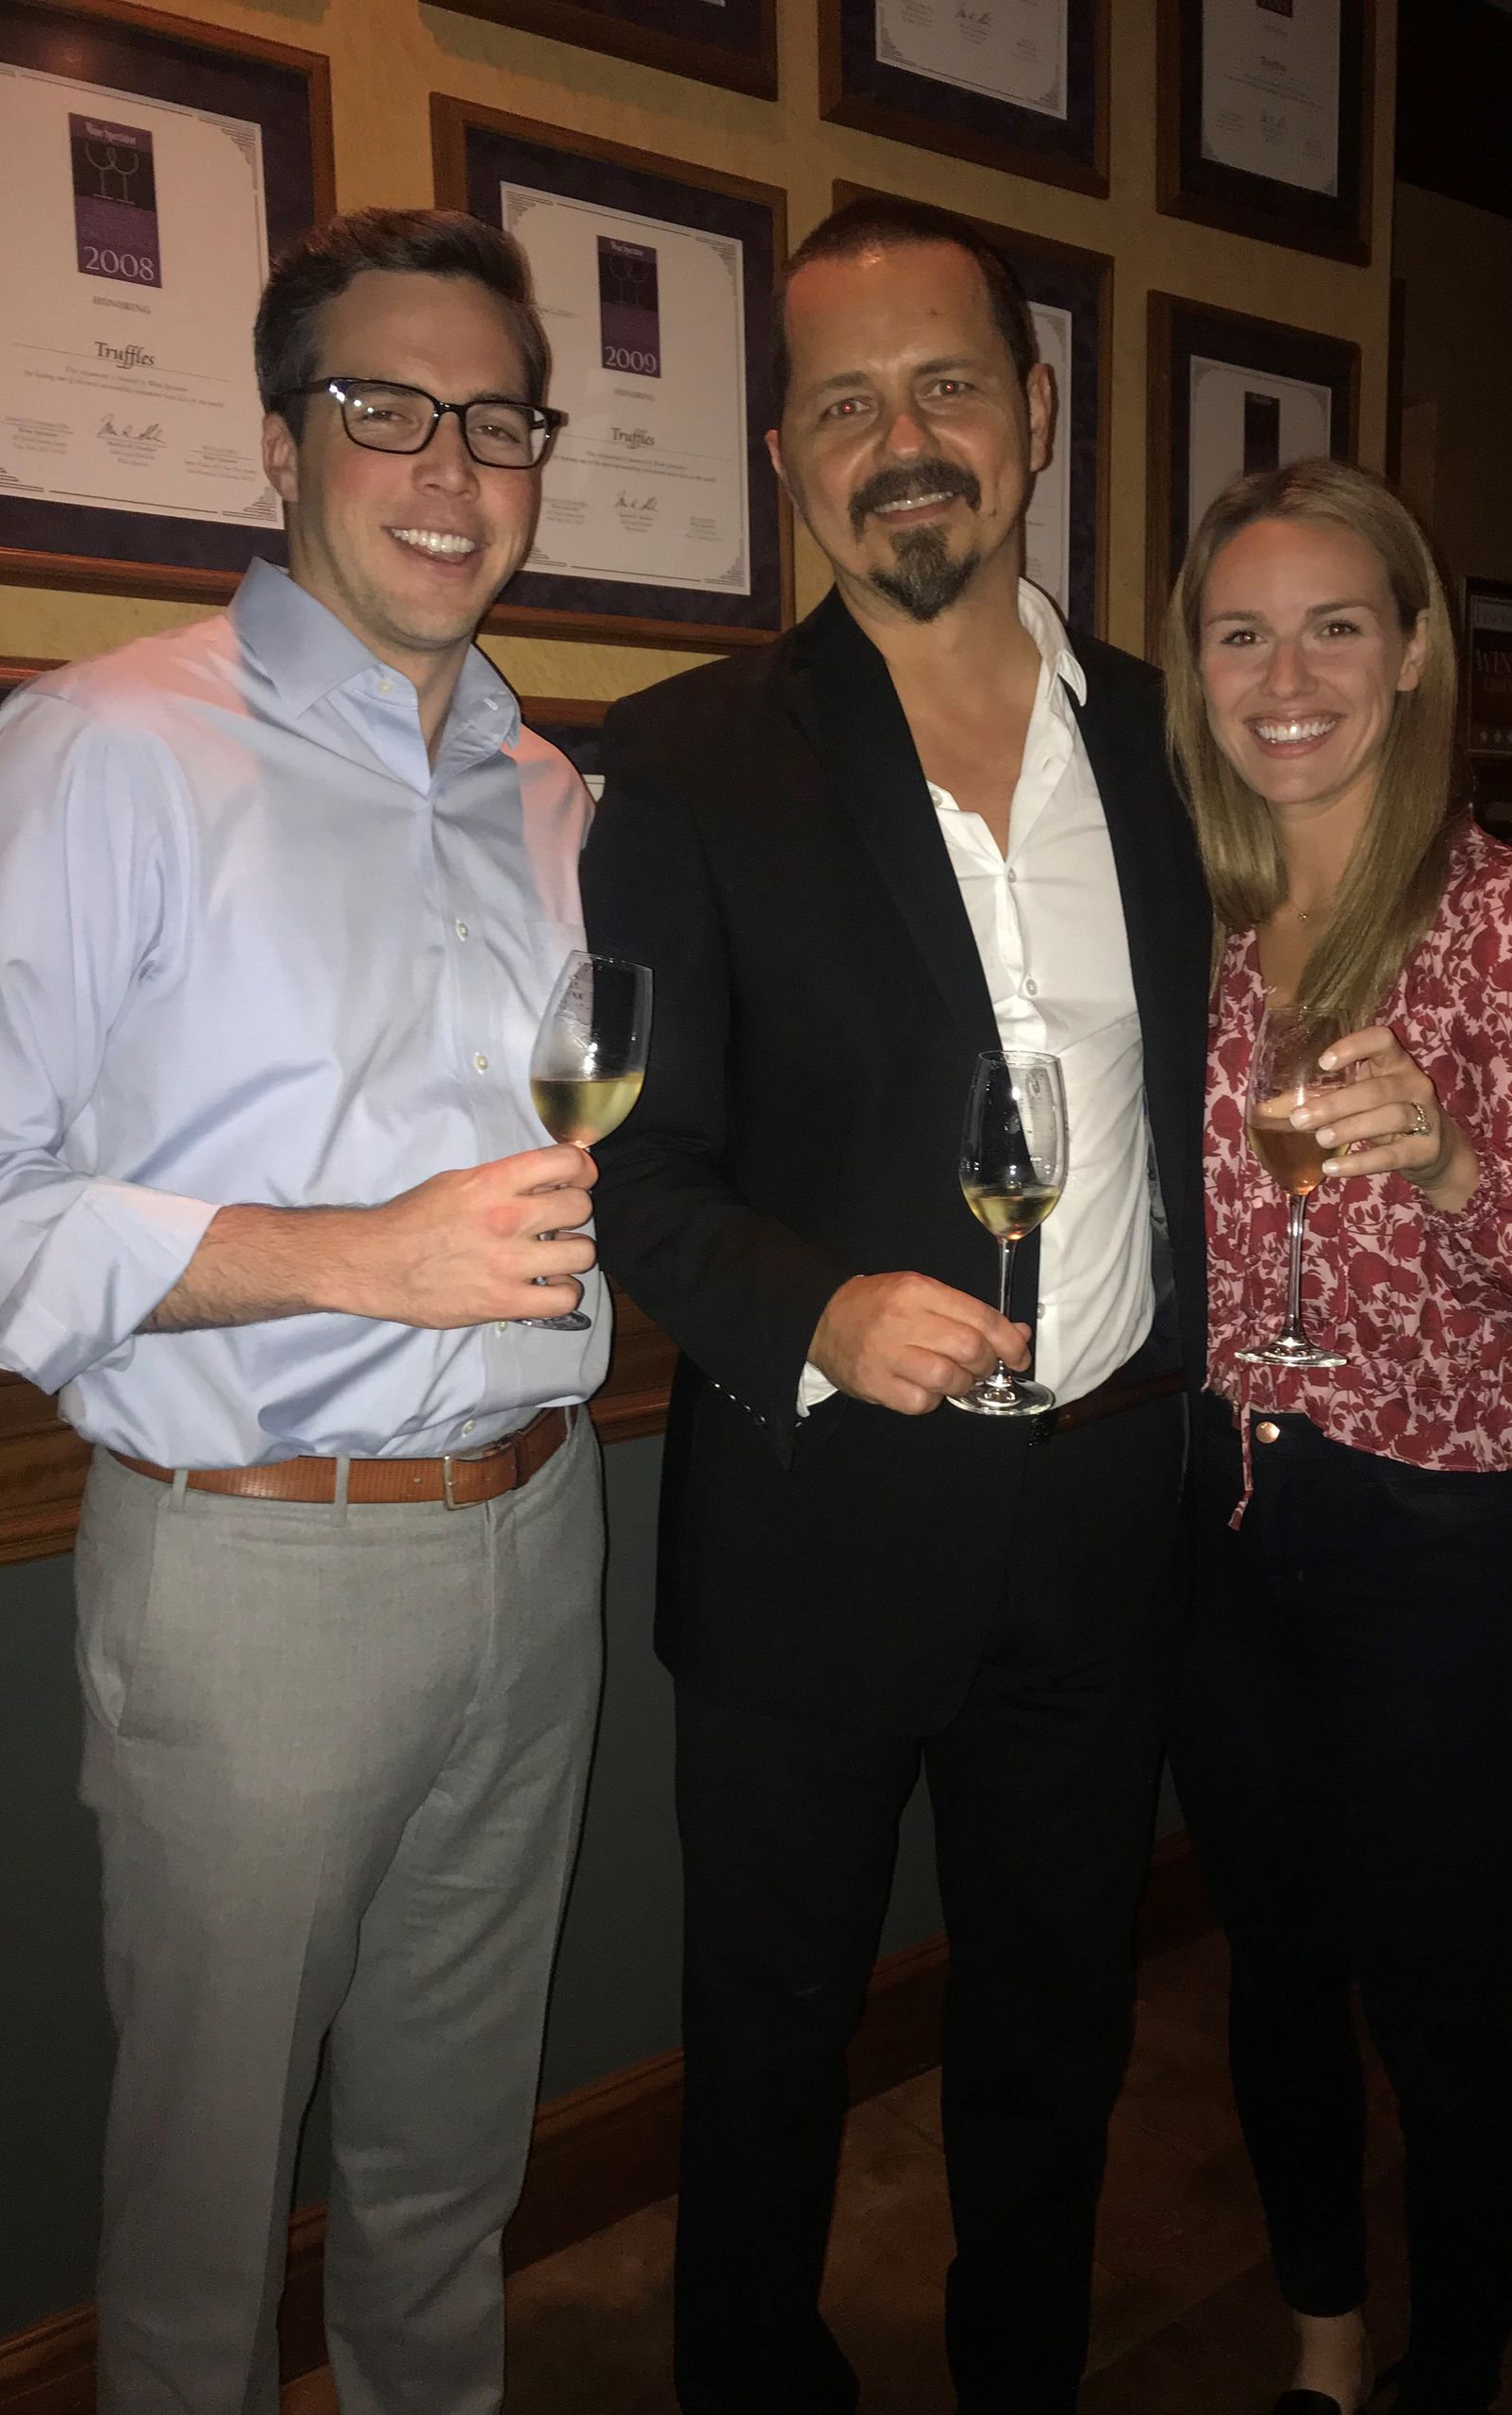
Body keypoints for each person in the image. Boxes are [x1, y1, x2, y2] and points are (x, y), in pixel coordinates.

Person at [0, 208, 610, 2415]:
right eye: (381, 406)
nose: (448, 462)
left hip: (541, 1537)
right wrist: (350, 1254)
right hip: (254, 1564)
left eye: (496, 417)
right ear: (278, 442)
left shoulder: (556, 795)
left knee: (449, 2167)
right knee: (205, 2203)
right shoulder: (105, 748)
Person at [580, 194, 1209, 2414]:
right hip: (813, 1530)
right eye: (844, 402)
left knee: (1059, 2027)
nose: (901, 436)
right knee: (768, 2053)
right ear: (786, 459)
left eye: (946, 382)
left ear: (1034, 419)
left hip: (1103, 1515)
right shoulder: (676, 761)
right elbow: (632, 1165)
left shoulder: (1171, 748)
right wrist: (820, 1301)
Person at [1158, 459, 1512, 2415]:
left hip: (1446, 1546)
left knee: (1438, 2013)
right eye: (1240, 631)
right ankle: (1326, 2350)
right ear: (1195, 674)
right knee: (1271, 1977)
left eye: (1336, 623)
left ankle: (1454, 2374)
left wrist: (1449, 1159)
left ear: (1417, 649)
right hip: (1223, 1527)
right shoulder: (1179, 920)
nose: (1287, 674)